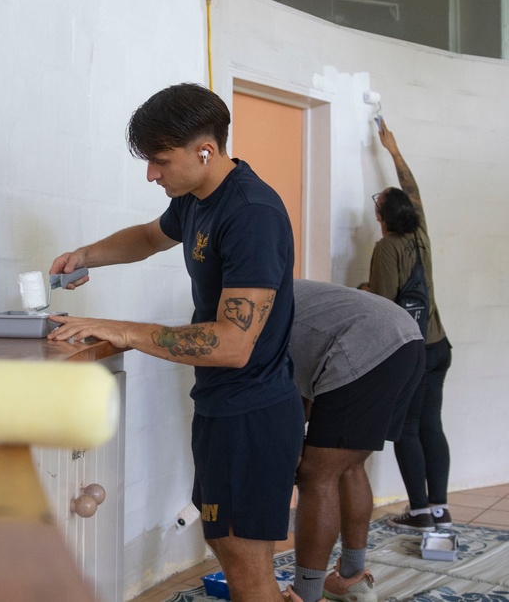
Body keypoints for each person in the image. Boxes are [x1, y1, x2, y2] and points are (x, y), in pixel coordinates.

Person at [46, 83, 303, 602]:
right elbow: (146, 238)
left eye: (160, 161)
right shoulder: (194, 201)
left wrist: (125, 331)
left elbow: (233, 344)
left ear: (204, 151)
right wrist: (85, 255)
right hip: (221, 405)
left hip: (252, 412)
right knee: (231, 552)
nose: (151, 174)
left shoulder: (252, 212)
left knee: (248, 571)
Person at [285, 280, 425, 602]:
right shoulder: (286, 290)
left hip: (364, 346)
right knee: (349, 465)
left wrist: (293, 450)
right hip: (407, 339)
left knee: (316, 477)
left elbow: (285, 393)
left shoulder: (251, 311)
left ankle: (305, 595)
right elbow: (303, 391)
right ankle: (352, 580)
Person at [367, 118, 453, 532]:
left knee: (406, 428)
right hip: (440, 346)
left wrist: (362, 288)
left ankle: (418, 512)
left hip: (413, 351)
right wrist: (394, 151)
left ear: (381, 216)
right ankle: (439, 507)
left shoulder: (386, 248)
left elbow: (384, 306)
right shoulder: (422, 233)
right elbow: (413, 190)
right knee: (431, 425)